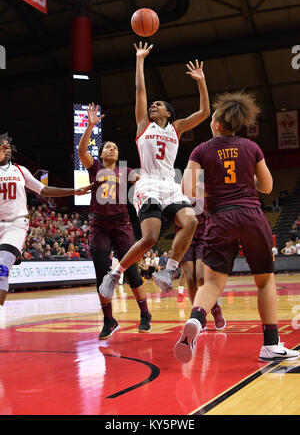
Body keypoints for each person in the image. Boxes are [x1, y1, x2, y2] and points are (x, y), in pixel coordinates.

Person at [174, 91, 299, 363]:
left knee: (213, 282)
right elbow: (267, 187)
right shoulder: (251, 147)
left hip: (220, 217)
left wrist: (214, 188)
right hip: (251, 215)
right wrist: (243, 184)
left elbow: (187, 190)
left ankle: (196, 321)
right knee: (265, 280)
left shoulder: (201, 150)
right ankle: (270, 344)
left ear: (217, 124)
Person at [99, 41, 210, 299]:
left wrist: (201, 81)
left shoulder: (176, 127)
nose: (153, 107)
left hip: (170, 183)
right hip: (148, 182)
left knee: (190, 221)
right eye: (153, 105)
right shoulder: (143, 126)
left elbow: (205, 111)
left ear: (168, 113)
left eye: (158, 105)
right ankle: (115, 274)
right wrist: (140, 59)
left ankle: (168, 271)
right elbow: (139, 91)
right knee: (149, 237)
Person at [78, 103, 152, 339]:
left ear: (118, 155)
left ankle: (145, 314)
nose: (111, 149)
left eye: (115, 148)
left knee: (131, 273)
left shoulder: (125, 169)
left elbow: (142, 180)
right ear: (101, 153)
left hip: (122, 224)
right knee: (101, 273)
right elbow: (82, 152)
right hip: (99, 225)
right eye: (107, 147)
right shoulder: (95, 167)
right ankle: (109, 320)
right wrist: (90, 127)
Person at [0, 133, 93, 308]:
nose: (6, 148)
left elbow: (44, 190)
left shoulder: (20, 170)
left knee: (2, 267)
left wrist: (74, 191)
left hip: (15, 224)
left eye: (7, 146)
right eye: (2, 146)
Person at [175, 199, 226, 330]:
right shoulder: (176, 189)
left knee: (201, 277)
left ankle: (215, 310)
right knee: (190, 279)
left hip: (203, 233)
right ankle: (198, 317)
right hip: (184, 233)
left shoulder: (202, 185)